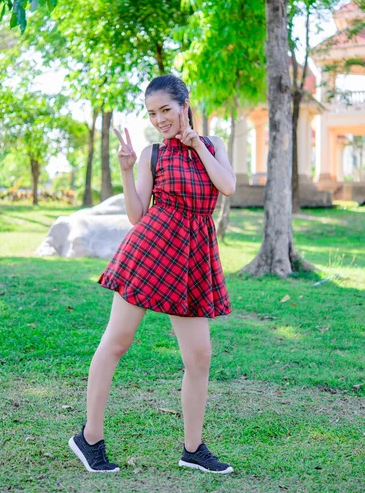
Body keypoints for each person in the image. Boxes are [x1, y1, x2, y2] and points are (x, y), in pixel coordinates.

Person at [68, 75, 236, 475]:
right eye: (152, 114)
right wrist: (126, 171)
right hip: (151, 249)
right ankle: (89, 437)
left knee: (199, 357)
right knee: (117, 342)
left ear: (185, 103)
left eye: (166, 110)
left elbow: (227, 186)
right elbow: (136, 215)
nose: (160, 120)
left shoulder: (213, 145)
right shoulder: (151, 155)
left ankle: (193, 449)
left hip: (193, 256)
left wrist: (197, 145)